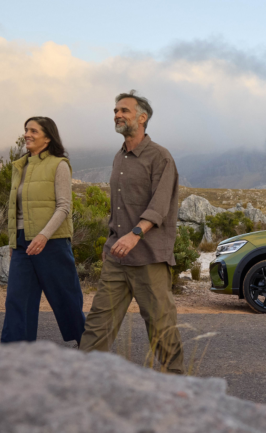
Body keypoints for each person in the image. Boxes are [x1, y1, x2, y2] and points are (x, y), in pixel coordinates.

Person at [79, 90, 184, 374]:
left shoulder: (160, 157)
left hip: (148, 257)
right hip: (117, 257)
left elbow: (160, 204)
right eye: (115, 111)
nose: (117, 115)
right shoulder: (119, 157)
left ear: (142, 117)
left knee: (161, 324)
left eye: (124, 110)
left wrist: (135, 233)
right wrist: (111, 240)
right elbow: (118, 207)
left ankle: (178, 386)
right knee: (98, 324)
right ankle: (82, 382)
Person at [1, 117, 86, 344]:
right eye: (26, 130)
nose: (27, 134)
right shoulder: (20, 166)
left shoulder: (59, 164)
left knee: (66, 300)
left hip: (53, 242)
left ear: (47, 137)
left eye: (33, 131)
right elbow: (14, 209)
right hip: (22, 243)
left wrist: (43, 235)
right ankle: (14, 354)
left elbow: (64, 207)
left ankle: (90, 347)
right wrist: (13, 242)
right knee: (17, 301)